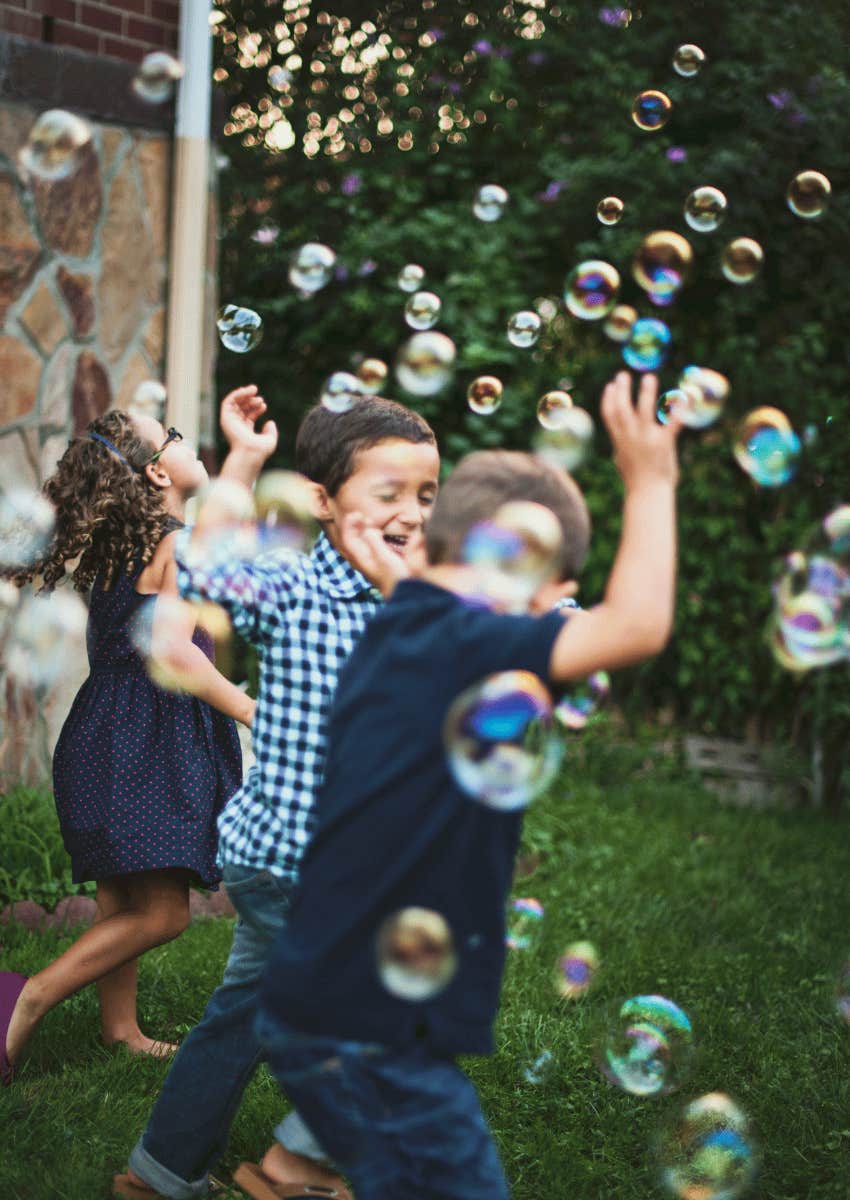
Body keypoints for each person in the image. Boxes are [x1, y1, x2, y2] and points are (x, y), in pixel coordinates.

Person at [255, 371, 681, 1200]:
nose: (560, 610)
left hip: (315, 1004)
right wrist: (651, 478)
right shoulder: (471, 639)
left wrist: (404, 573)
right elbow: (639, 625)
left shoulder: (403, 621)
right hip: (374, 1031)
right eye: (557, 590)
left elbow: (416, 587)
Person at [115, 388, 440, 1200]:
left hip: (318, 864)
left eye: (427, 493)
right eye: (388, 492)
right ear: (324, 502)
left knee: (241, 1019)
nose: (412, 512)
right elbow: (205, 563)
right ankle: (300, 1163)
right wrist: (245, 462)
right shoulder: (292, 586)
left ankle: (157, 1174)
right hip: (298, 862)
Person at [0, 404, 253, 1086]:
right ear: (154, 468)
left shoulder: (124, 548)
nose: (183, 435)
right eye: (172, 432)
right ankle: (29, 998)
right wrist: (250, 708)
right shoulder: (179, 545)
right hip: (149, 740)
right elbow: (175, 652)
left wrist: (246, 458)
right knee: (163, 913)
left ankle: (120, 1029)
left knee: (123, 899)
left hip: (101, 734)